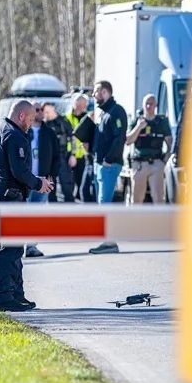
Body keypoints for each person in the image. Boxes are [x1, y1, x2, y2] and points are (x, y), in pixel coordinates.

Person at [0, 99, 53, 312]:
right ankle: (4, 297)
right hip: (9, 196)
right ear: (21, 115)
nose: (32, 123)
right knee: (10, 248)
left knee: (15, 247)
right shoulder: (14, 136)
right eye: (31, 118)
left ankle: (16, 293)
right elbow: (19, 171)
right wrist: (39, 183)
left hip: (1, 193)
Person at [89, 81, 127, 254]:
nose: (93, 95)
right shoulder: (104, 113)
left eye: (96, 91)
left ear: (105, 92)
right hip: (100, 164)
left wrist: (109, 159)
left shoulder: (116, 111)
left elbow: (120, 138)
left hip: (109, 165)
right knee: (102, 204)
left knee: (105, 203)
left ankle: (110, 242)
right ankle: (107, 240)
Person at [24, 101, 61, 258]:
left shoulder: (49, 133)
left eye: (41, 110)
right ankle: (17, 246)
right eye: (37, 109)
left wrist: (51, 177)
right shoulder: (23, 131)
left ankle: (31, 246)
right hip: (25, 181)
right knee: (24, 215)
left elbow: (57, 157)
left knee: (36, 215)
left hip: (43, 182)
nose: (40, 112)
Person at [126, 93, 172, 203]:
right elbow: (128, 141)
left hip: (156, 163)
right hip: (139, 164)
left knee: (158, 198)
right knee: (137, 199)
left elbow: (170, 142)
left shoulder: (161, 122)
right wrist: (138, 127)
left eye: (151, 104)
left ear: (156, 105)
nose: (148, 106)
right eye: (146, 104)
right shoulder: (136, 121)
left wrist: (166, 158)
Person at [42, 101, 76, 203]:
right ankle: (53, 210)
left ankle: (70, 209)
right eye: (44, 112)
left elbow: (73, 138)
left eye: (47, 111)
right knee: (50, 187)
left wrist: (73, 155)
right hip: (49, 160)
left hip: (63, 157)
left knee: (67, 186)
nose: (46, 114)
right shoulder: (44, 124)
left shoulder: (63, 121)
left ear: (53, 109)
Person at [65, 94, 91, 201]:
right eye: (80, 104)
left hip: (83, 156)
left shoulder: (88, 118)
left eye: (84, 105)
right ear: (75, 104)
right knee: (69, 185)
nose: (83, 107)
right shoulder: (67, 118)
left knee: (81, 185)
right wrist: (71, 154)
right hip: (69, 156)